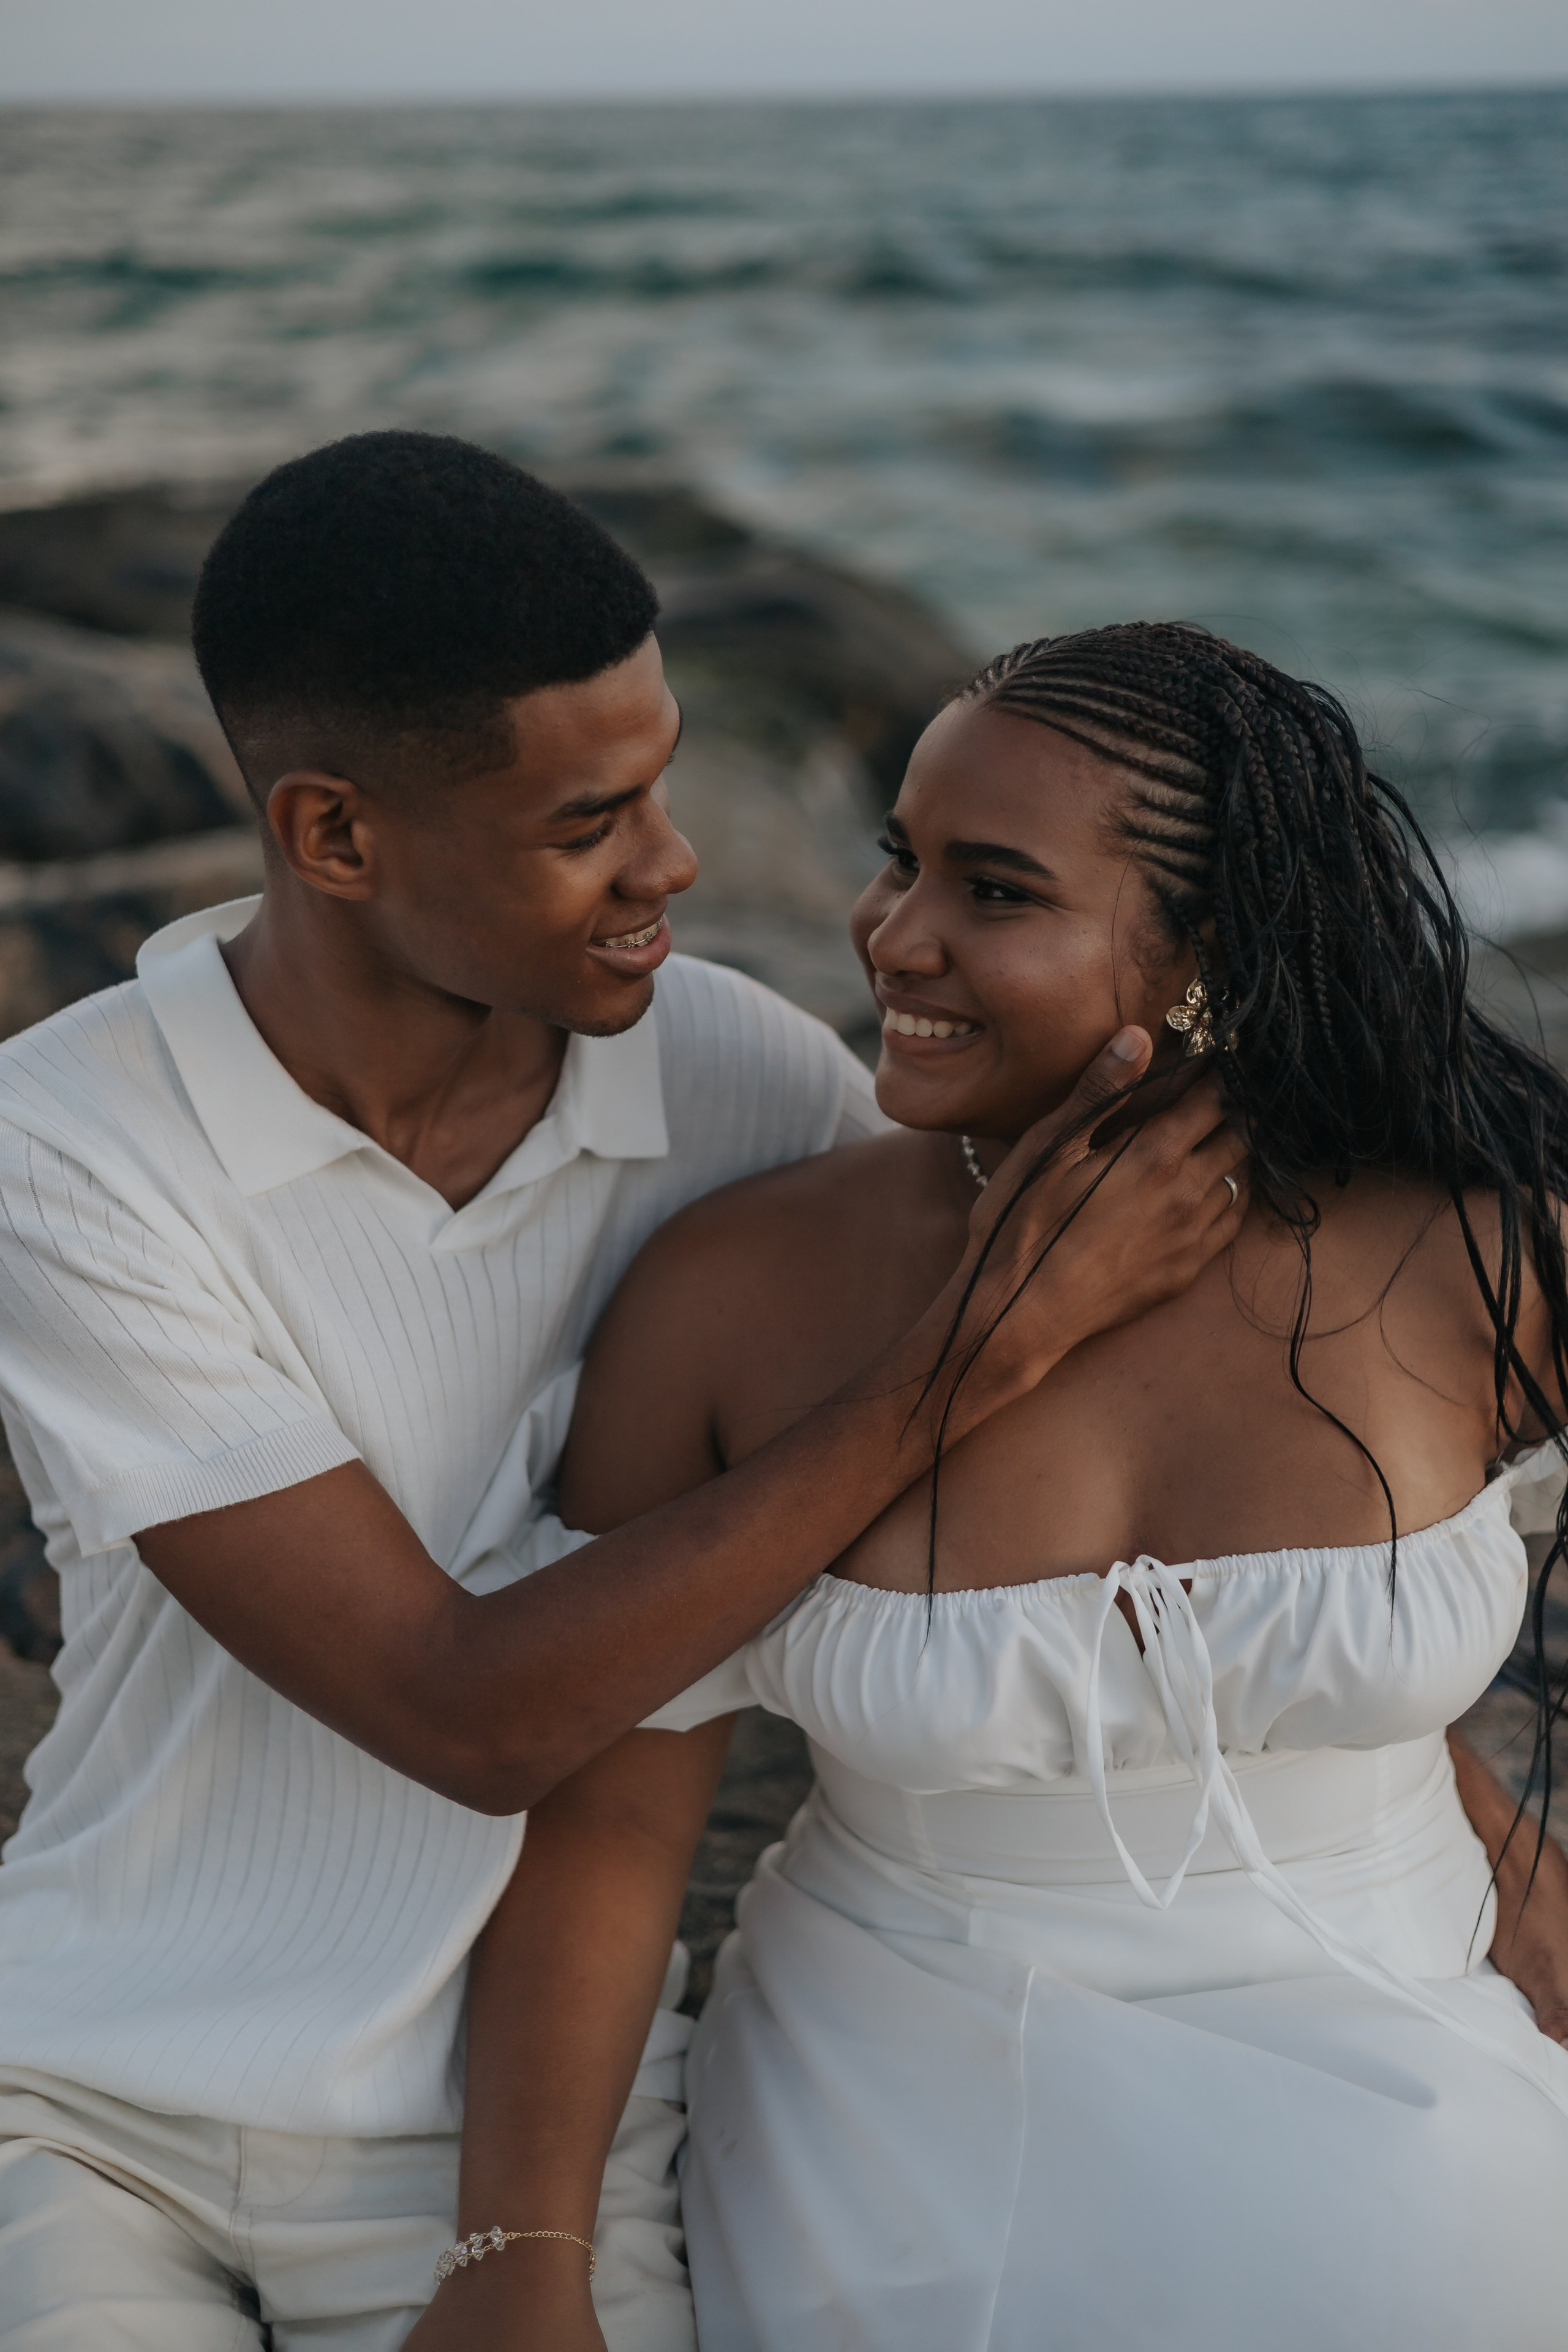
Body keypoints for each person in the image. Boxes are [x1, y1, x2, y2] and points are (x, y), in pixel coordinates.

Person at [0, 440, 1246, 2352]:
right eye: (591, 821)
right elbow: (464, 1711)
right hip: (96, 2101)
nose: (674, 864)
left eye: (663, 784)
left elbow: (1181, 1433)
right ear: (335, 838)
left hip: (539, 2142)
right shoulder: (71, 1146)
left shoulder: (743, 1081)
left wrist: (1470, 1829)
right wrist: (964, 1358)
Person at [429, 622, 1568, 2352]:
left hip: (1420, 2002)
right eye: (898, 858)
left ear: (1208, 952)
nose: (894, 933)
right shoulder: (735, 1295)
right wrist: (521, 2253)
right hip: (918, 2081)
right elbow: (610, 1830)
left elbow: (1269, 1687)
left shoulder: (1473, 1254)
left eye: (996, 891)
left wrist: (1525, 1868)